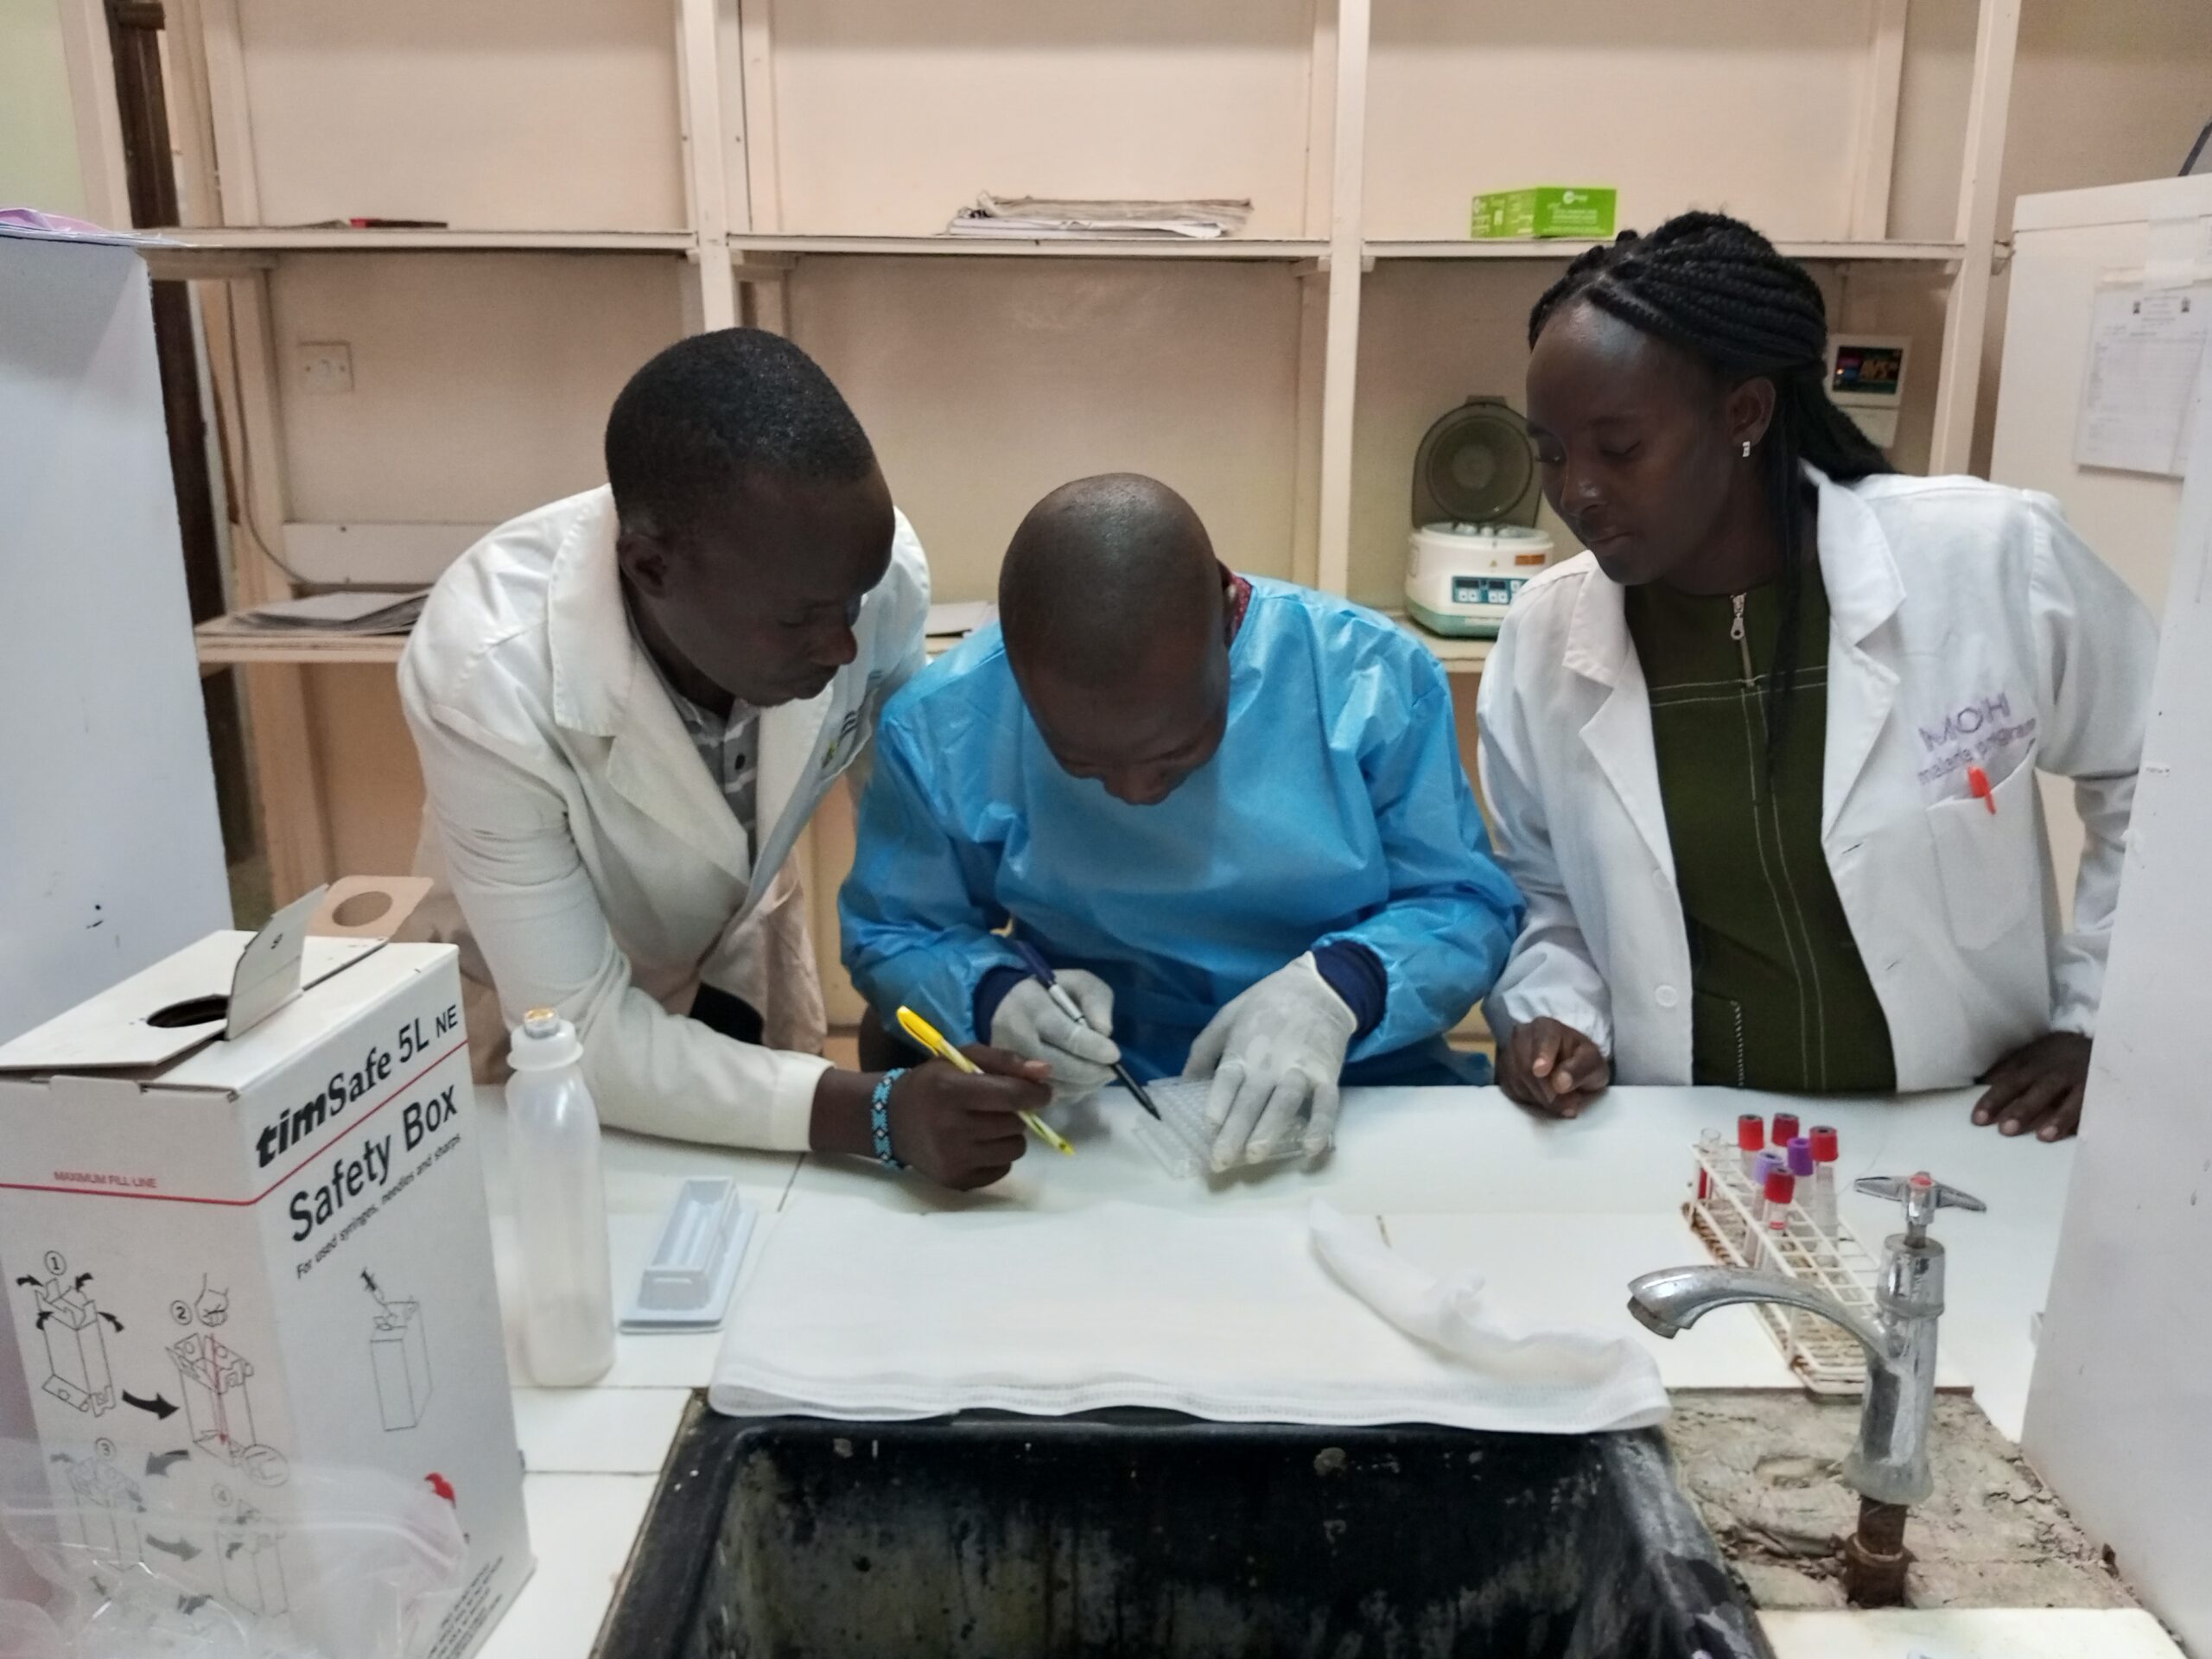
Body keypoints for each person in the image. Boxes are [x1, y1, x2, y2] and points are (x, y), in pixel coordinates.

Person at [1477, 213, 2157, 1141]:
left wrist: (2103, 1021)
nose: (1576, 491)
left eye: (1619, 448)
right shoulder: (1544, 638)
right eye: (1550, 453)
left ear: (1744, 412)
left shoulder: (1986, 556)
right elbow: (1545, 887)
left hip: (1962, 1130)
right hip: (1683, 1138)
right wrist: (1561, 1018)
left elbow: (2160, 772)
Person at [400, 328, 1048, 1190]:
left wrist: (996, 984)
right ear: (651, 566)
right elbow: (579, 1033)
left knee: (761, 1243)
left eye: (854, 601)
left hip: (730, 945)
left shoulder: (858, 576)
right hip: (542, 1004)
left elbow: (920, 851)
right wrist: (878, 1113)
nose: (843, 643)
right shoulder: (486, 675)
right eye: (800, 620)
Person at [840, 474, 1524, 1169]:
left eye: (1176, 757)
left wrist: (1340, 988)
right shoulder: (944, 723)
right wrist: (993, 996)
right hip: (1103, 1095)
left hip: (1355, 1075)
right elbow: (894, 931)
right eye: (1084, 767)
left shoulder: (1368, 678)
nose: (1137, 795)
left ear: (1228, 623)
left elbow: (1464, 904)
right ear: (1010, 671)